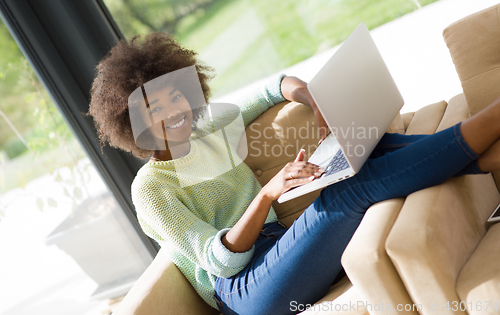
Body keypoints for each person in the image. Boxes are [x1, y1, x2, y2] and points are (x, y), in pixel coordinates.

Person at [88, 32, 500, 315]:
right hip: (247, 292)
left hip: (283, 251)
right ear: (132, 121)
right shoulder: (151, 189)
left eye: (176, 96)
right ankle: (492, 121)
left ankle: (487, 157)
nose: (174, 111)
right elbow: (220, 261)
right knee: (344, 194)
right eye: (155, 109)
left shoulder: (211, 130)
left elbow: (272, 88)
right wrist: (267, 195)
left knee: (363, 144)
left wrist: (310, 95)